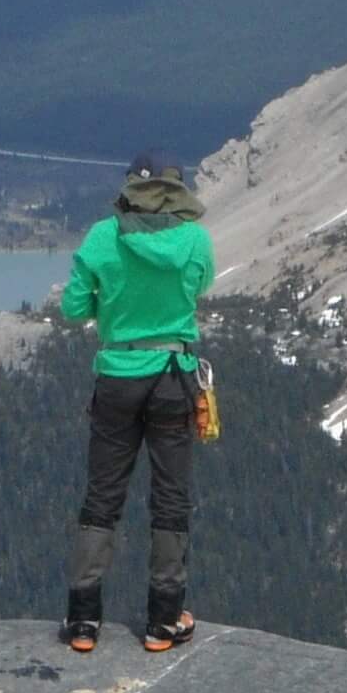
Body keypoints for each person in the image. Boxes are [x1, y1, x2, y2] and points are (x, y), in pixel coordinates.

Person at [56, 148, 215, 654]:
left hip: (117, 376)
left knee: (103, 494)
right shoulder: (194, 239)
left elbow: (73, 307)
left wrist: (113, 302)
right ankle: (164, 622)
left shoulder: (103, 236)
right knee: (170, 495)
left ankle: (83, 622)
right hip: (173, 375)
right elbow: (198, 289)